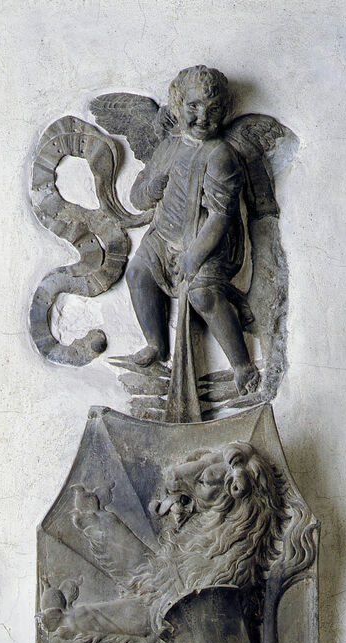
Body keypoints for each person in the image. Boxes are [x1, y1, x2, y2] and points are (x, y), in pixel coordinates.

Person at [126, 65, 260, 396]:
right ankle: (156, 344)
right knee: (138, 273)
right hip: (163, 236)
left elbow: (220, 216)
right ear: (178, 105)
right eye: (194, 107)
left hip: (207, 240)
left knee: (203, 295)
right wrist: (151, 188)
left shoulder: (220, 155)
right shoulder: (169, 147)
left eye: (213, 110)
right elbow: (137, 197)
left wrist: (193, 257)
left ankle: (241, 364)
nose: (203, 117)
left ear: (223, 111)